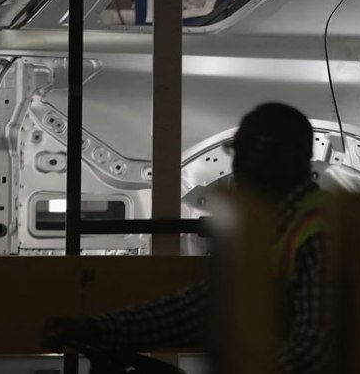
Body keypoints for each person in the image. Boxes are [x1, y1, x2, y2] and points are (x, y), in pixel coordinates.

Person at [40, 102, 331, 374]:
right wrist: (98, 328)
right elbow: (196, 309)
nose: (238, 166)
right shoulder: (271, 232)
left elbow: (315, 356)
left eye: (248, 150)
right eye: (237, 151)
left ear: (289, 157)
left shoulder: (319, 235)